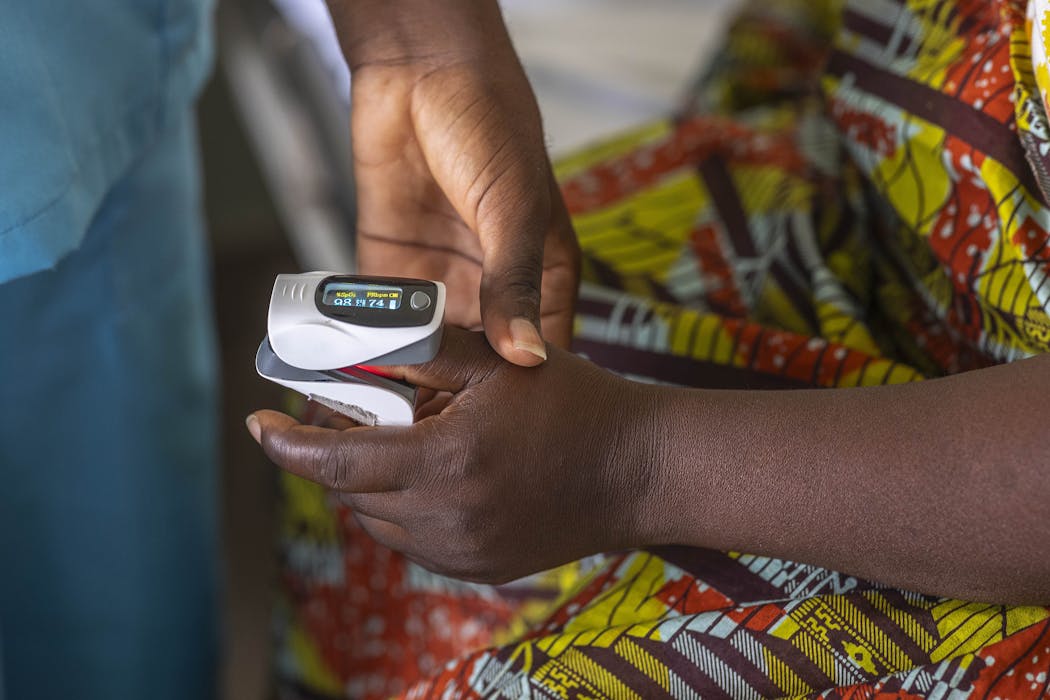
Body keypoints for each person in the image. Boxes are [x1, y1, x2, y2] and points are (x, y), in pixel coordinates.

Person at [248, 0, 1050, 697]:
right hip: (889, 171)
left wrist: (629, 461)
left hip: (997, 495)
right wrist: (419, 47)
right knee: (389, 434)